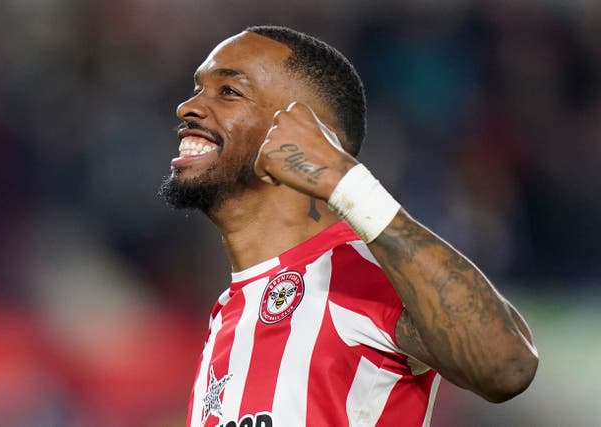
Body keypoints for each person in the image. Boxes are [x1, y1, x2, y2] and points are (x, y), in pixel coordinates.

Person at [160, 25, 538, 427]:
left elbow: (508, 365)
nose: (188, 107)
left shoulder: (359, 271)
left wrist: (349, 183)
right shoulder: (228, 313)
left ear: (311, 132)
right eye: (198, 89)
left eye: (229, 92)